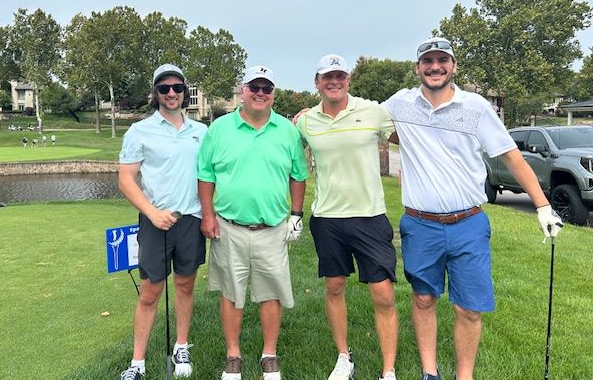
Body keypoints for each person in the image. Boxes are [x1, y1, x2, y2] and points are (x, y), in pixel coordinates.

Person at [382, 37, 563, 380]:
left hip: (468, 224)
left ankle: (464, 376)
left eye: (442, 60)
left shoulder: (476, 106)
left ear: (454, 66)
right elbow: (363, 118)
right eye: (428, 61)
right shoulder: (400, 103)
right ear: (418, 67)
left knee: (469, 307)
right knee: (423, 299)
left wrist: (542, 206)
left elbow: (510, 155)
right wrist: (310, 113)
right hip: (420, 225)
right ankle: (429, 372)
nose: (435, 67)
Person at [198, 65, 308, 380]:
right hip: (228, 227)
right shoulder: (219, 128)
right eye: (254, 88)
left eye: (266, 89)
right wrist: (207, 214)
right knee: (231, 293)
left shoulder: (287, 130)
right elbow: (205, 175)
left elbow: (298, 176)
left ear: (273, 94)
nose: (260, 94)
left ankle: (269, 354)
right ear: (242, 91)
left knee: (271, 293)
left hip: (272, 229)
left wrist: (296, 216)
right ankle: (233, 356)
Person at [295, 54, 398, 380]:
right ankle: (343, 357)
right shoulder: (305, 121)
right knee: (335, 286)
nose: (334, 81)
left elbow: (409, 140)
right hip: (327, 218)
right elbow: (285, 153)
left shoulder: (373, 111)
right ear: (317, 82)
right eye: (327, 76)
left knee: (383, 293)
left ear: (348, 79)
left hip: (369, 216)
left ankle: (388, 369)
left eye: (339, 75)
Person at [118, 63, 208, 380]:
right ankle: (137, 363)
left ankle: (181, 345)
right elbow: (127, 180)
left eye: (177, 88)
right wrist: (153, 213)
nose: (171, 93)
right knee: (149, 293)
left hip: (190, 220)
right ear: (155, 94)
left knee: (185, 285)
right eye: (164, 88)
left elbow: (208, 177)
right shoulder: (139, 131)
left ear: (185, 92)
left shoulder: (201, 132)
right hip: (154, 221)